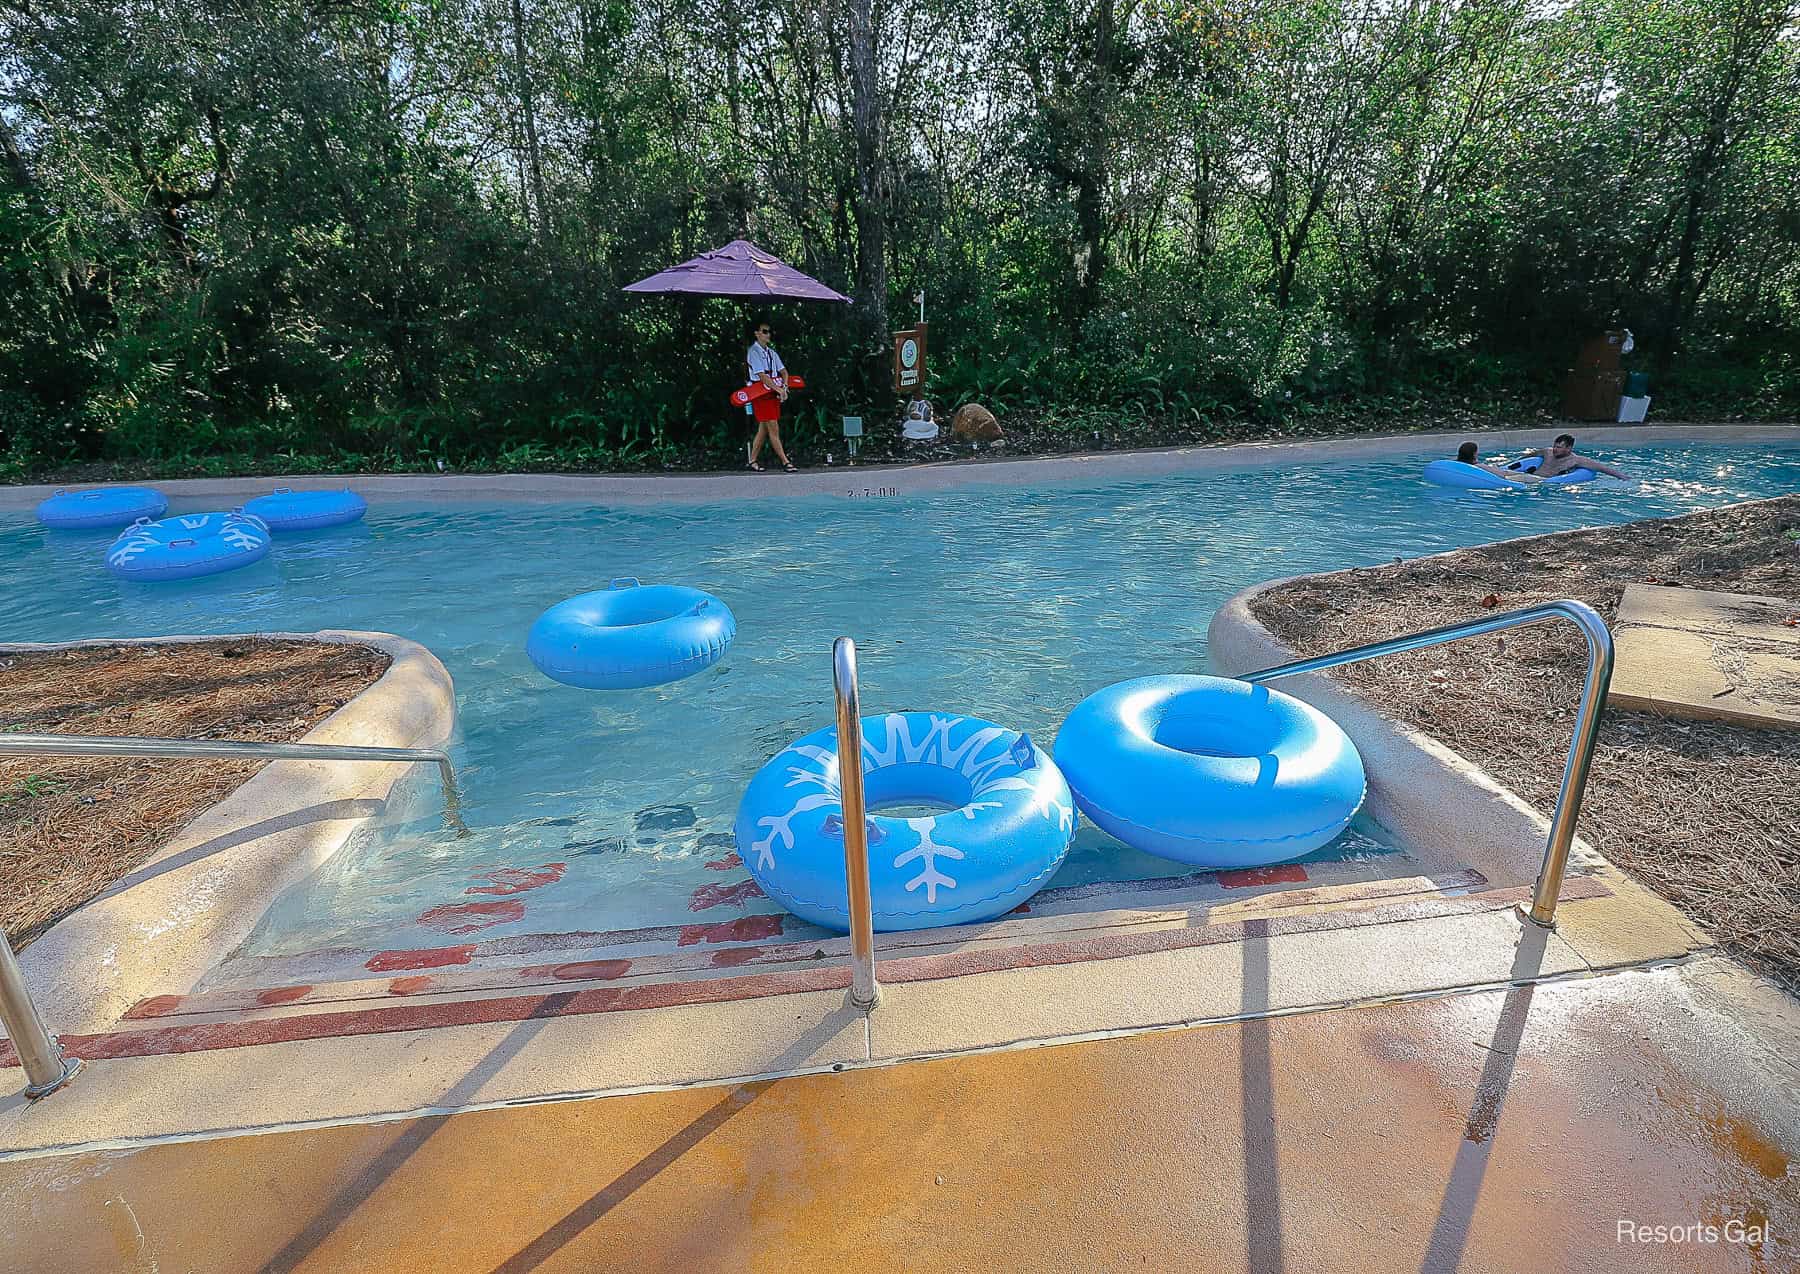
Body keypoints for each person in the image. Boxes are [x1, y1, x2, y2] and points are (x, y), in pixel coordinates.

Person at [744, 318, 796, 472]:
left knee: (764, 428)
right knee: (773, 427)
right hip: (760, 392)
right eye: (764, 331)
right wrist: (779, 390)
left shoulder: (772, 353)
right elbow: (761, 375)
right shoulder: (753, 352)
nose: (768, 335)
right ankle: (785, 461)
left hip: (773, 392)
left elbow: (784, 372)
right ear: (756, 334)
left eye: (769, 332)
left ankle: (752, 460)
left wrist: (784, 387)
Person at [1521, 433, 1633, 480]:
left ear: (1569, 448)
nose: (1555, 449)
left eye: (1559, 447)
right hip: (1531, 478)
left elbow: (1603, 468)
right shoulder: (1547, 452)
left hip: (1543, 483)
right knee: (1505, 473)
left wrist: (1622, 477)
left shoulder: (1576, 460)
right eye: (1555, 446)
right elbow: (1526, 457)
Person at [1457, 441, 1541, 484]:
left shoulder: (1457, 464)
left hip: (1494, 473)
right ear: (1474, 454)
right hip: (1503, 478)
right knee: (1527, 476)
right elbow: (1502, 474)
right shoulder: (1478, 466)